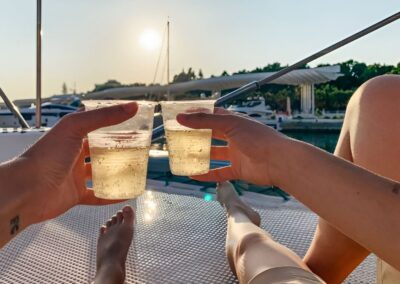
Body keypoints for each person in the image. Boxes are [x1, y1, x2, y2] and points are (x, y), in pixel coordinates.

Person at [176, 74, 400, 283]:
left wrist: (277, 160)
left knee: (249, 245)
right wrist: (275, 158)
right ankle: (239, 215)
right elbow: (321, 271)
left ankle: (238, 213)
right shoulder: (384, 103)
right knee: (379, 98)